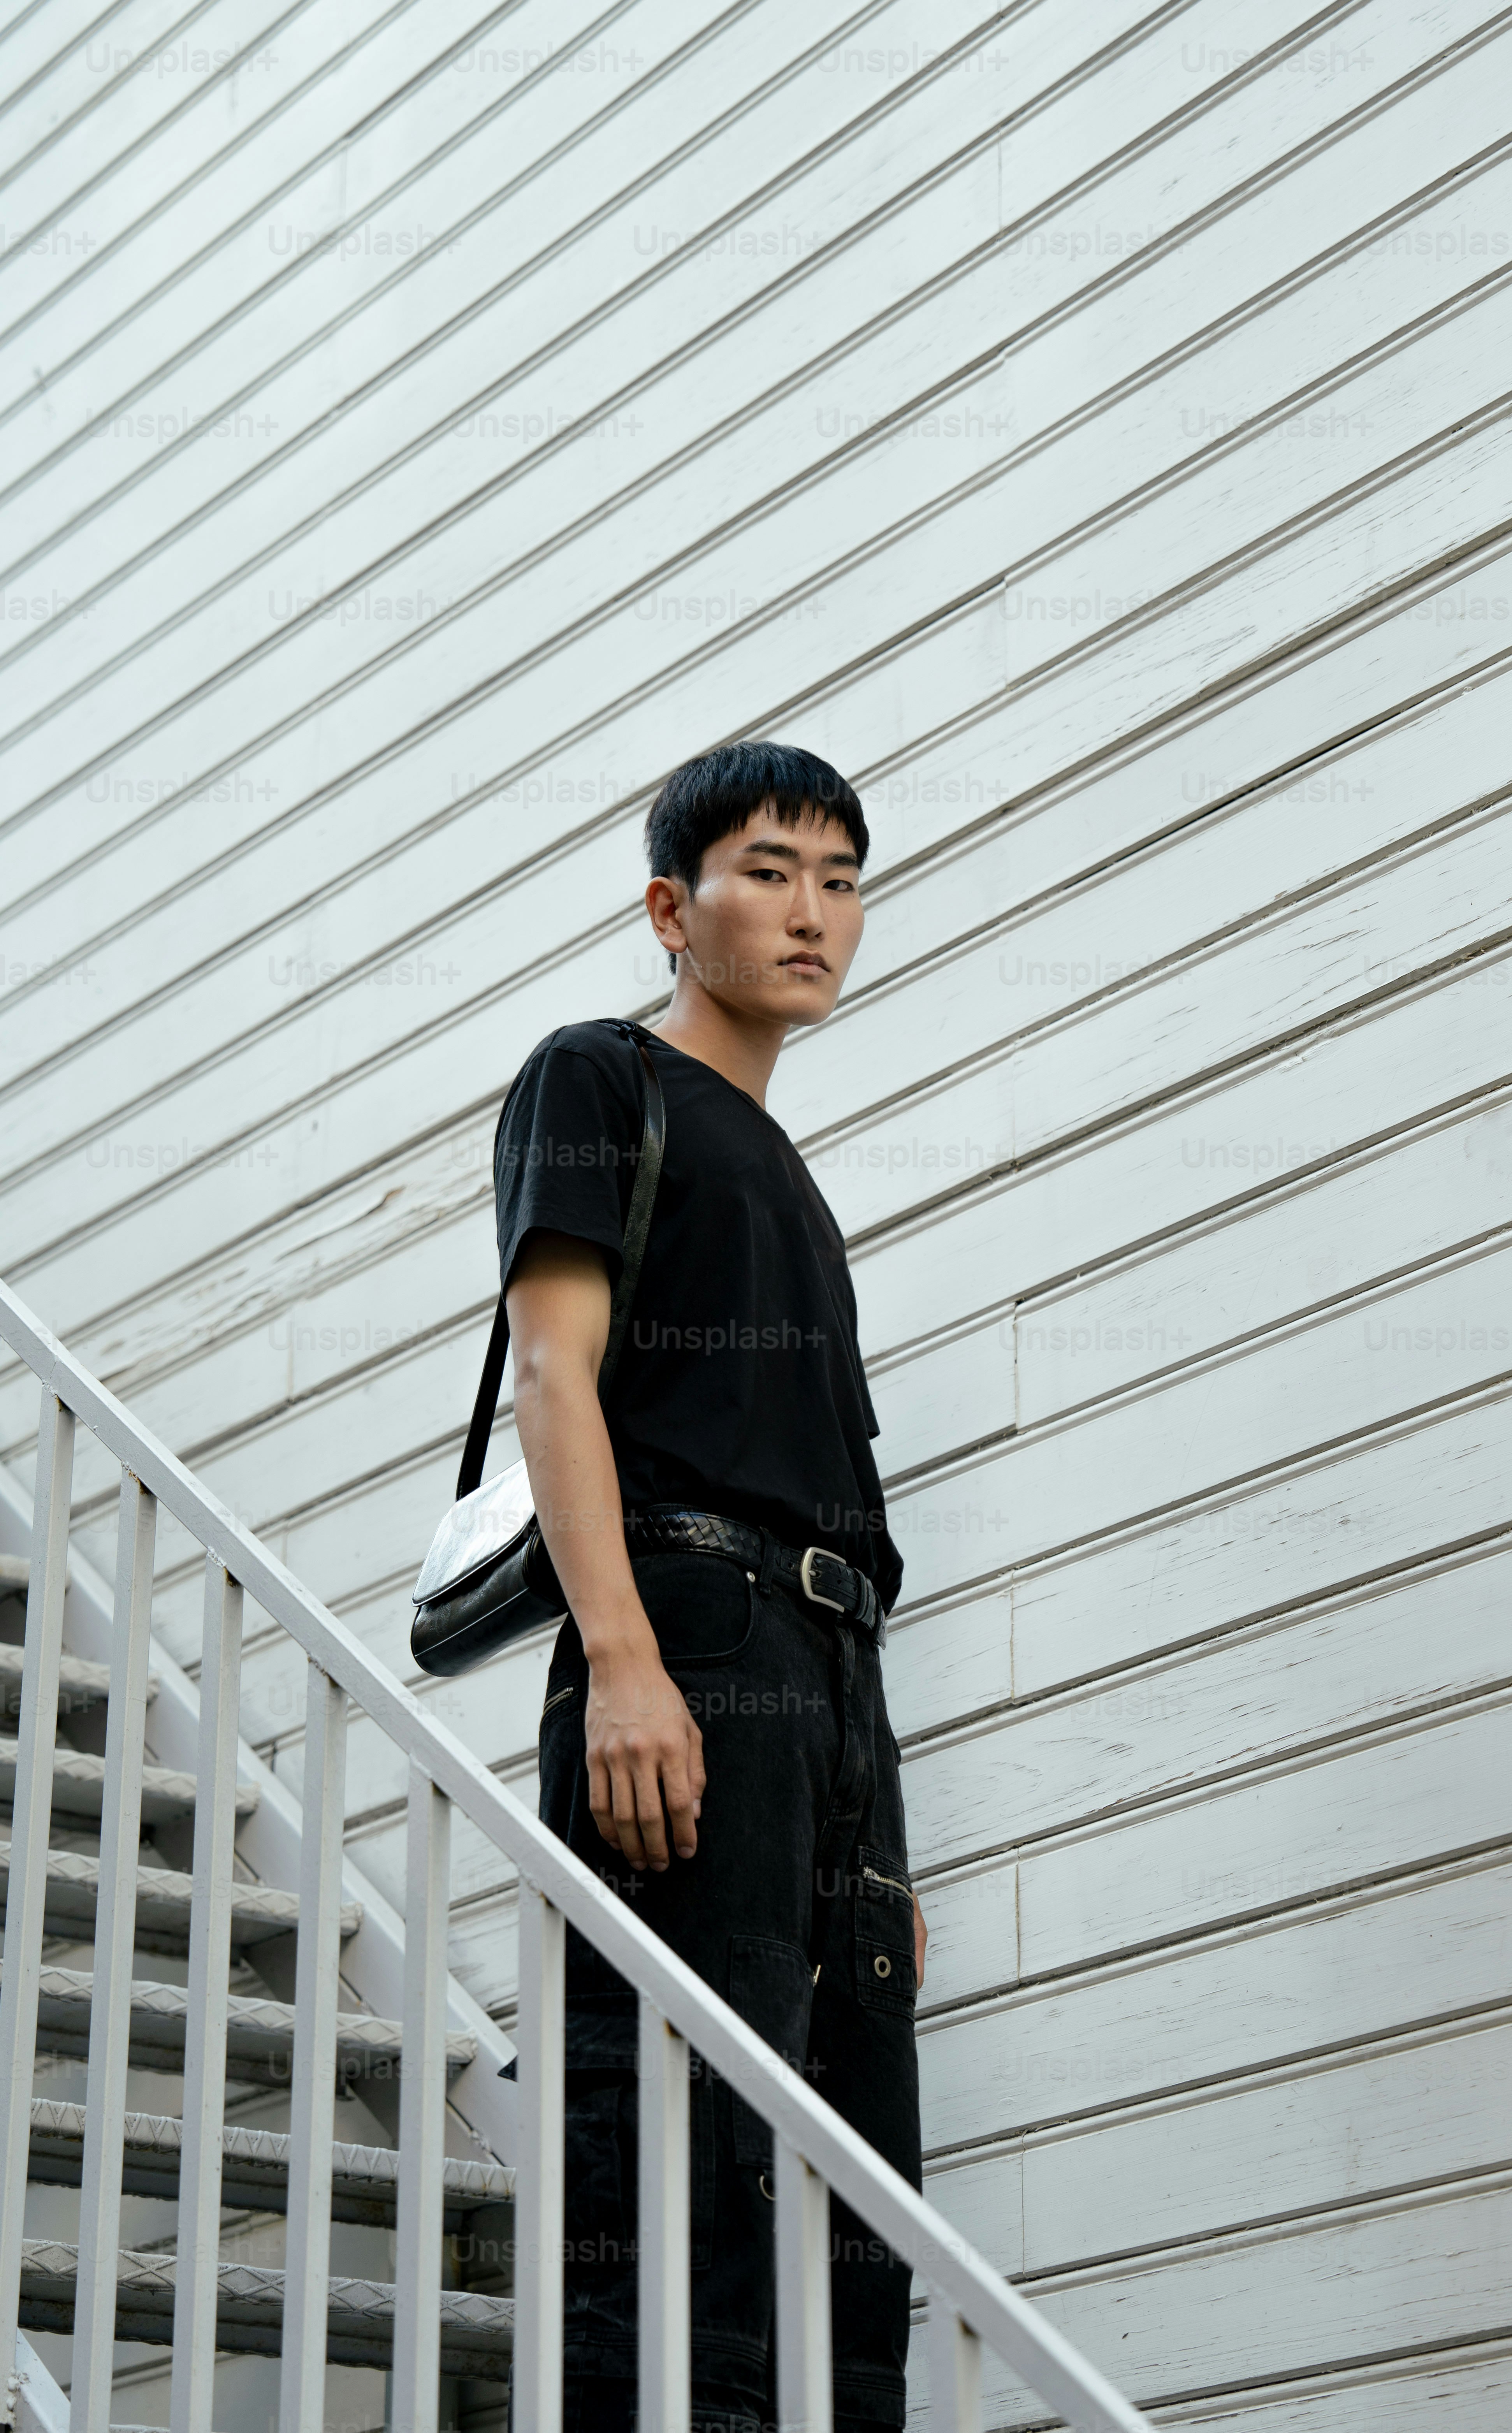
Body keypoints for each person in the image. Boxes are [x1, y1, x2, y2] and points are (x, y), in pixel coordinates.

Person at [494, 740, 924, 2433]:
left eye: (839, 877)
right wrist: (620, 1657)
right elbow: (555, 1372)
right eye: (769, 869)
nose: (813, 911)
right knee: (675, 2135)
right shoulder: (600, 1079)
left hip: (830, 1677)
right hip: (690, 1626)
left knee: (850, 2156)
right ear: (673, 910)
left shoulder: (791, 1174)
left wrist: (865, 1823)